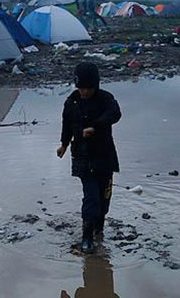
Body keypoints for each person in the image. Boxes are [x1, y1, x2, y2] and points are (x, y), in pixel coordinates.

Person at [56, 63, 121, 253]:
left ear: (96, 86)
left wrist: (96, 127)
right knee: (91, 197)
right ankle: (86, 237)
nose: (84, 92)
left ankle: (99, 227)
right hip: (83, 156)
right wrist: (64, 144)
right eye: (80, 88)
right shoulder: (71, 102)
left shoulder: (105, 99)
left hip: (104, 156)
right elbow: (66, 124)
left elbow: (115, 114)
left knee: (104, 197)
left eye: (88, 88)